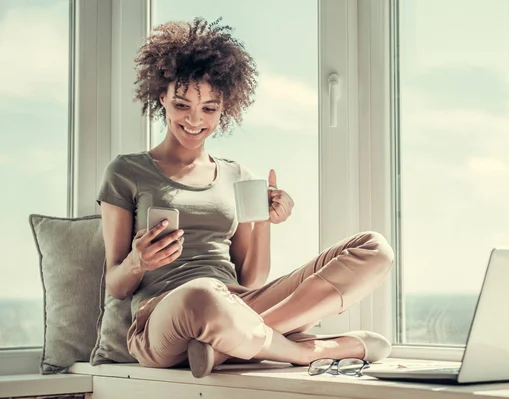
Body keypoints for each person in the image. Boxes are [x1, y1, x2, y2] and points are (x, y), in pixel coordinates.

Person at [97, 17, 395, 378]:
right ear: (162, 97)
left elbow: (251, 278)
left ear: (225, 109)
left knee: (374, 249)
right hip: (163, 317)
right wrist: (138, 262)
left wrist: (264, 222)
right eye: (182, 105)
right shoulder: (126, 171)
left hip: (238, 304)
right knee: (202, 294)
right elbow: (115, 283)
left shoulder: (238, 176)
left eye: (209, 108)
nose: (195, 120)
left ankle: (230, 343)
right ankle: (305, 352)